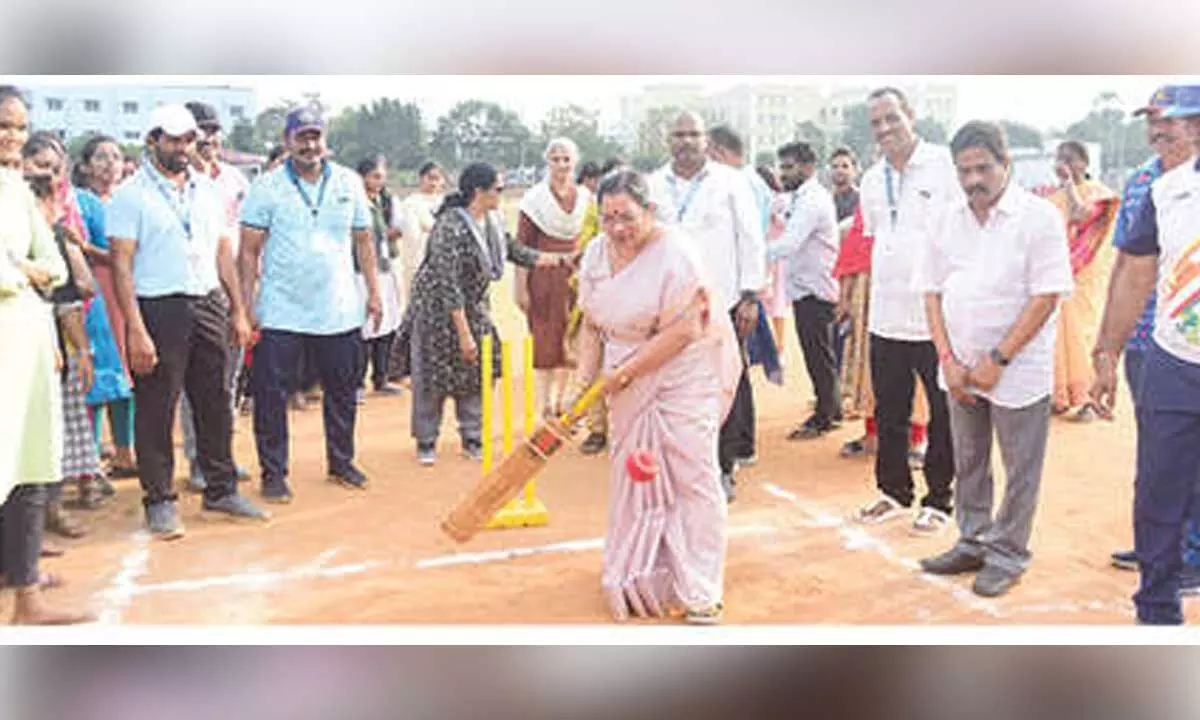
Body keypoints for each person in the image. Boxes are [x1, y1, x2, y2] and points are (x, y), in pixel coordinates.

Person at [573, 170, 741, 624]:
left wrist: (624, 374)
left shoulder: (677, 253)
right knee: (635, 472)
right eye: (608, 218)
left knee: (692, 473)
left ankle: (701, 589)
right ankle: (642, 574)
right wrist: (582, 387)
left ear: (649, 210)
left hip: (683, 373)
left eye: (627, 217)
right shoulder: (595, 253)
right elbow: (592, 323)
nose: (617, 229)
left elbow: (685, 330)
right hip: (623, 372)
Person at [916, 121, 1073, 598]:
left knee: (1020, 466)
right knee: (968, 459)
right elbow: (931, 292)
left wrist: (998, 360)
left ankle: (1007, 553)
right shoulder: (945, 218)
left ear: (1006, 164)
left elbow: (1046, 296)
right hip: (959, 366)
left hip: (1018, 369)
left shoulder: (1038, 218)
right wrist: (947, 358)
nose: (973, 180)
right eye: (964, 171)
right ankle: (973, 540)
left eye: (983, 168)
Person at [109, 104, 266, 539]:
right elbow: (121, 265)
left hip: (208, 301)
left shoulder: (207, 190)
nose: (182, 147)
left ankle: (221, 488)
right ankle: (159, 500)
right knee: (157, 406)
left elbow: (223, 252)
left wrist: (237, 308)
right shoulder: (130, 195)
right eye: (173, 139)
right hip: (159, 307)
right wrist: (136, 329)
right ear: (153, 140)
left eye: (188, 139)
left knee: (215, 400)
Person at [1090, 84, 1200, 625]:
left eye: (1170, 121)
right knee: (1159, 492)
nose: (1158, 130)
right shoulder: (1163, 191)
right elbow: (1135, 272)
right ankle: (1156, 609)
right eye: (1152, 121)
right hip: (1174, 363)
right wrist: (1107, 353)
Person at [238, 106, 383, 503]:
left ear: (325, 140)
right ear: (287, 141)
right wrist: (246, 304)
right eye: (301, 137)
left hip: (338, 308)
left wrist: (373, 292)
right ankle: (273, 473)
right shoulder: (267, 186)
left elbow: (364, 241)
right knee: (272, 396)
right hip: (282, 309)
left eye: (315, 136)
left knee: (342, 390)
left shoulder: (349, 182)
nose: (309, 144)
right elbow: (248, 250)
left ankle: (341, 462)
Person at [393, 163, 573, 466]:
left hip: (473, 306)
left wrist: (560, 260)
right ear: (479, 191)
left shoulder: (492, 221)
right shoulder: (449, 226)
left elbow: (515, 251)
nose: (501, 194)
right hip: (437, 310)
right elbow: (448, 283)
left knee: (478, 370)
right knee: (433, 375)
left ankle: (472, 436)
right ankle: (426, 440)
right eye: (498, 189)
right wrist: (464, 334)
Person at [0, 84, 93, 623]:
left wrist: (26, 268)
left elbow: (54, 266)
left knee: (31, 463)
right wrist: (20, 272)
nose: (12, 136)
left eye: (19, 126)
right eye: (3, 126)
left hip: (30, 343)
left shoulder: (17, 190)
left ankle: (25, 588)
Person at [852, 87, 958, 536]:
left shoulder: (944, 165)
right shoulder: (871, 179)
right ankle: (894, 491)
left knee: (943, 411)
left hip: (936, 314)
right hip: (887, 313)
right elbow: (879, 239)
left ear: (910, 115)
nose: (884, 129)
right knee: (890, 409)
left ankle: (940, 499)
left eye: (891, 118)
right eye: (876, 123)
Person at [647, 111, 766, 502]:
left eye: (693, 134)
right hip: (669, 306)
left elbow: (750, 238)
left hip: (722, 303)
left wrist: (750, 295)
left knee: (723, 385)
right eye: (678, 134)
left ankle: (723, 467)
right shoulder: (652, 186)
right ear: (668, 140)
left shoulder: (730, 182)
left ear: (705, 141)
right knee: (674, 388)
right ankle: (678, 467)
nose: (685, 141)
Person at [24, 133, 105, 530]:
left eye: (55, 169)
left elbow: (74, 295)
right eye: (40, 166)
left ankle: (47, 513)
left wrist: (82, 351)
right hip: (20, 348)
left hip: (53, 349)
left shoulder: (55, 231)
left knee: (50, 432)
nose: (49, 176)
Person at [178, 100, 254, 492]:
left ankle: (222, 455)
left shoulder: (235, 181)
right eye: (200, 131)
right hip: (192, 295)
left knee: (227, 381)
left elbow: (246, 242)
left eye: (212, 130)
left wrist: (244, 301)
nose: (208, 138)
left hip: (231, 293)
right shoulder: (175, 182)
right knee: (195, 384)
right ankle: (198, 460)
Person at [72, 135, 136, 485]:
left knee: (129, 371)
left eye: (116, 156)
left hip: (129, 291)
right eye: (101, 157)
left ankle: (125, 452)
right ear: (85, 166)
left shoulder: (130, 198)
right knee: (97, 373)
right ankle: (89, 459)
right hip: (96, 293)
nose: (111, 163)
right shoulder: (79, 202)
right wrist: (92, 250)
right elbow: (76, 248)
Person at [515, 138, 592, 418]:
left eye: (566, 159)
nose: (561, 164)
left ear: (575, 161)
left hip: (576, 278)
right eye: (555, 159)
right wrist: (520, 287)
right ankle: (544, 405)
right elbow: (521, 247)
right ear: (547, 162)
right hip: (543, 278)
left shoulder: (586, 198)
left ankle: (562, 403)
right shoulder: (534, 200)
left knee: (572, 339)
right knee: (545, 340)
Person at [770, 141, 841, 440]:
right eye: (782, 167)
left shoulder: (812, 200)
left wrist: (749, 256)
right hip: (806, 288)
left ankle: (825, 416)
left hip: (816, 290)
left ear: (808, 167)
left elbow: (788, 244)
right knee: (819, 354)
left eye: (789, 167)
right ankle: (831, 408)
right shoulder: (799, 198)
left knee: (818, 355)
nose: (783, 174)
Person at [1048, 140, 1120, 422]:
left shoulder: (1099, 194)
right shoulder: (1052, 198)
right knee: (1059, 334)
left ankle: (1089, 400)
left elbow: (1081, 217)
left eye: (1069, 159)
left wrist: (1069, 185)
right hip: (1058, 275)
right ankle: (1063, 395)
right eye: (1058, 158)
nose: (1062, 164)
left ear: (1084, 163)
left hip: (1086, 277)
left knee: (1085, 333)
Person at [354, 155, 404, 399]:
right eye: (375, 176)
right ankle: (357, 383)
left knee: (387, 324)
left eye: (382, 177)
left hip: (384, 269)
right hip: (360, 273)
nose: (380, 182)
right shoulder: (355, 203)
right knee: (364, 327)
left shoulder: (382, 202)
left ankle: (381, 377)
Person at [397, 161, 445, 309]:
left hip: (444, 264)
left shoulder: (447, 203)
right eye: (430, 178)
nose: (433, 182)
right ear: (421, 178)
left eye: (437, 178)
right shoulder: (411, 203)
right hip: (418, 263)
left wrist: (429, 228)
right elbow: (412, 236)